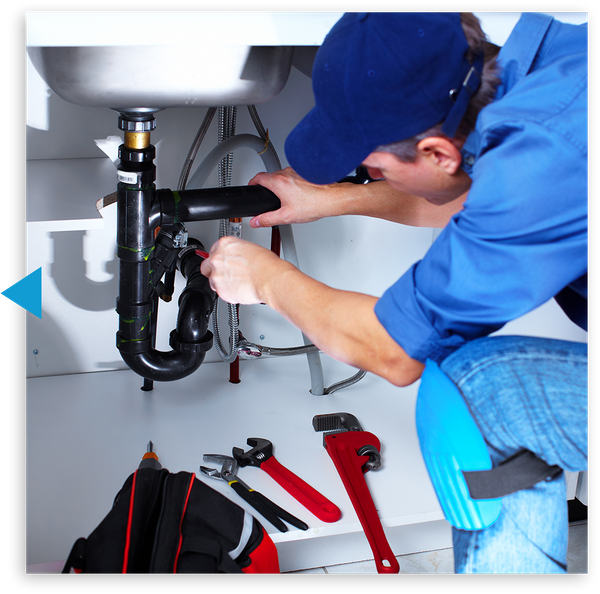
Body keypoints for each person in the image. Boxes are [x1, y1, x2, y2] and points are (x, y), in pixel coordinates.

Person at [200, 12, 588, 573]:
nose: (364, 173)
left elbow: (395, 351)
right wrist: (332, 198)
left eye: (371, 167)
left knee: (479, 397)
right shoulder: (551, 76)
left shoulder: (546, 155)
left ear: (435, 154)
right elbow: (489, 198)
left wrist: (264, 279)